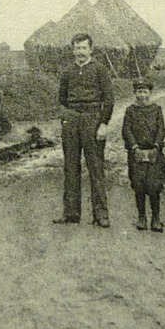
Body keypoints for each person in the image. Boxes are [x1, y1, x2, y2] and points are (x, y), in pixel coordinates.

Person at [53, 33, 115, 227]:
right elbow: (62, 98)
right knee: (71, 166)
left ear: (91, 49)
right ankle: (71, 213)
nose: (80, 52)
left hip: (92, 119)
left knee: (96, 167)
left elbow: (109, 99)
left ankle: (101, 214)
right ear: (72, 50)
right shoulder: (67, 72)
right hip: (71, 119)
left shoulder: (100, 70)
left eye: (83, 48)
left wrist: (103, 123)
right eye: (77, 48)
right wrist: (69, 117)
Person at [121, 78, 165, 232]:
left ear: (150, 93)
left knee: (154, 186)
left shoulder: (156, 109)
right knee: (139, 185)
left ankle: (156, 218)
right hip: (136, 153)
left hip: (154, 153)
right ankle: (142, 217)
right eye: (139, 92)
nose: (142, 95)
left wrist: (156, 146)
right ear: (135, 93)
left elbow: (161, 129)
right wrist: (134, 147)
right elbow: (126, 130)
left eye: (145, 92)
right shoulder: (130, 110)